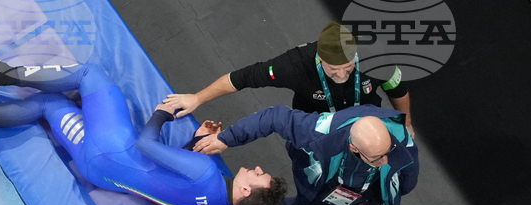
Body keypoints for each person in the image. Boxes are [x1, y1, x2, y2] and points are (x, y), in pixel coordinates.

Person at [0, 43, 287, 205]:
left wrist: (162, 113)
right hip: (100, 171)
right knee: (50, 105)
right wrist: (193, 143)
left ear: (246, 190)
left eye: (259, 176)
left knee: (90, 75)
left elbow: (147, 145)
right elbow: (172, 182)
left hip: (116, 146)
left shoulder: (207, 171)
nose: (257, 168)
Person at [197, 103, 417, 205]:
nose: (386, 161)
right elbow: (274, 117)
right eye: (378, 158)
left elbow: (409, 168)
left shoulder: (398, 140)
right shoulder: (320, 131)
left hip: (371, 188)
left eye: (388, 153)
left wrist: (396, 188)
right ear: (354, 148)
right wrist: (227, 138)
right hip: (323, 182)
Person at [168, 23, 413, 136]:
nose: (340, 75)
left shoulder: (378, 56)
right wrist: (197, 98)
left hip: (366, 118)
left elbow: (398, 90)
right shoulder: (293, 65)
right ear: (319, 58)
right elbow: (242, 78)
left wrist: (407, 124)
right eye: (333, 69)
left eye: (348, 68)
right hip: (314, 125)